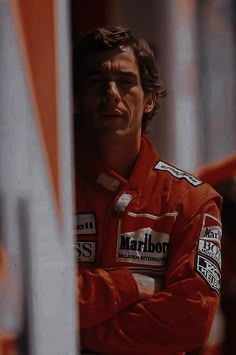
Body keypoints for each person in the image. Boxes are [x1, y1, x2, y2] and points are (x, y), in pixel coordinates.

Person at [73, 25, 223, 354]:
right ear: (75, 97)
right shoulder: (53, 194)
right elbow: (36, 294)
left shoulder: (192, 201)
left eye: (125, 82)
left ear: (150, 99)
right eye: (95, 81)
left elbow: (192, 320)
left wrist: (79, 334)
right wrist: (130, 285)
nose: (110, 92)